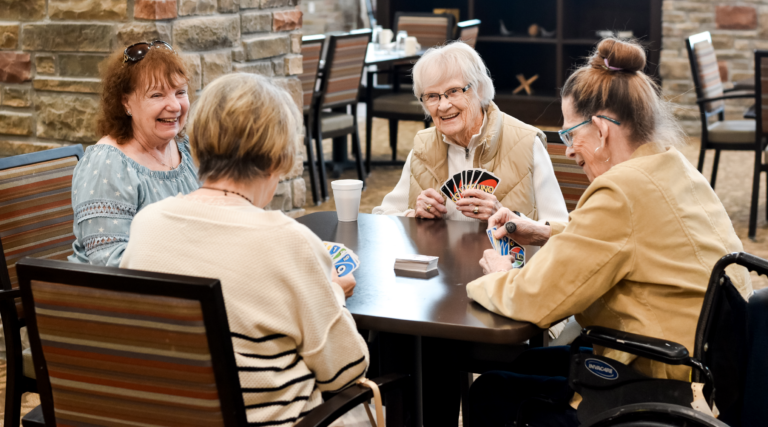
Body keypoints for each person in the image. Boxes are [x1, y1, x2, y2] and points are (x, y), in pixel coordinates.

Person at [465, 38, 753, 426]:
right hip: (703, 371)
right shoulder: (670, 166)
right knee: (529, 362)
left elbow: (536, 301)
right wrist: (541, 231)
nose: (567, 150)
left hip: (655, 383)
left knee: (491, 391)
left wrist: (499, 277)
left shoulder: (619, 190)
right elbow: (630, 239)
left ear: (600, 129)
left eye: (569, 134)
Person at [120, 73, 369, 425]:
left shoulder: (148, 225)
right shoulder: (289, 242)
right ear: (277, 158)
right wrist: (333, 294)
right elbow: (344, 370)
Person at [373, 41, 569, 255]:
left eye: (454, 91)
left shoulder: (526, 142)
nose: (443, 105)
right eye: (432, 96)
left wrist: (506, 216)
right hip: (439, 275)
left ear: (479, 89)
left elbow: (562, 231)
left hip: (508, 276)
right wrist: (412, 215)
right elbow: (383, 217)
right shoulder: (423, 149)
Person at [69, 41, 199, 267]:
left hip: (182, 282)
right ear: (126, 102)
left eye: (180, 92)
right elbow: (110, 260)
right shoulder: (108, 164)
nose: (175, 106)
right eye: (157, 95)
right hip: (111, 294)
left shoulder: (187, 149)